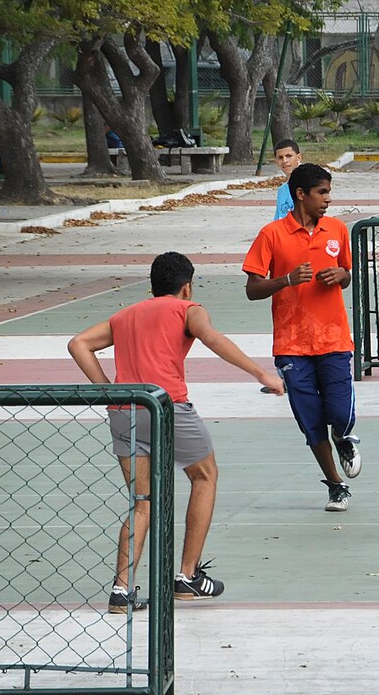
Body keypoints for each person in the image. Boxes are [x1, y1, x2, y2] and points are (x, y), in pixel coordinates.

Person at [67, 251, 285, 614]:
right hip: (166, 406)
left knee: (142, 502)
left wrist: (108, 390)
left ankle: (122, 589)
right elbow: (212, 338)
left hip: (126, 411)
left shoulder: (126, 314)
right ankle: (186, 576)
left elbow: (78, 344)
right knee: (205, 475)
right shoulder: (188, 309)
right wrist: (261, 373)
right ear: (187, 286)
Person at [243, 163, 361, 512]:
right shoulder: (272, 235)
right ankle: (335, 485)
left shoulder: (337, 230)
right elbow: (252, 289)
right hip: (292, 344)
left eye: (328, 192)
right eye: (321, 192)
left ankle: (345, 437)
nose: (327, 199)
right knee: (310, 421)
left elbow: (347, 274)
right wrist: (285, 280)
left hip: (334, 339)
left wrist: (341, 274)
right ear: (301, 195)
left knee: (339, 412)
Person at [272, 139, 302, 221]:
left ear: (298, 157)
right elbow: (278, 219)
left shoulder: (309, 185)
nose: (285, 161)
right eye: (280, 158)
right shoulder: (282, 190)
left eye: (289, 156)